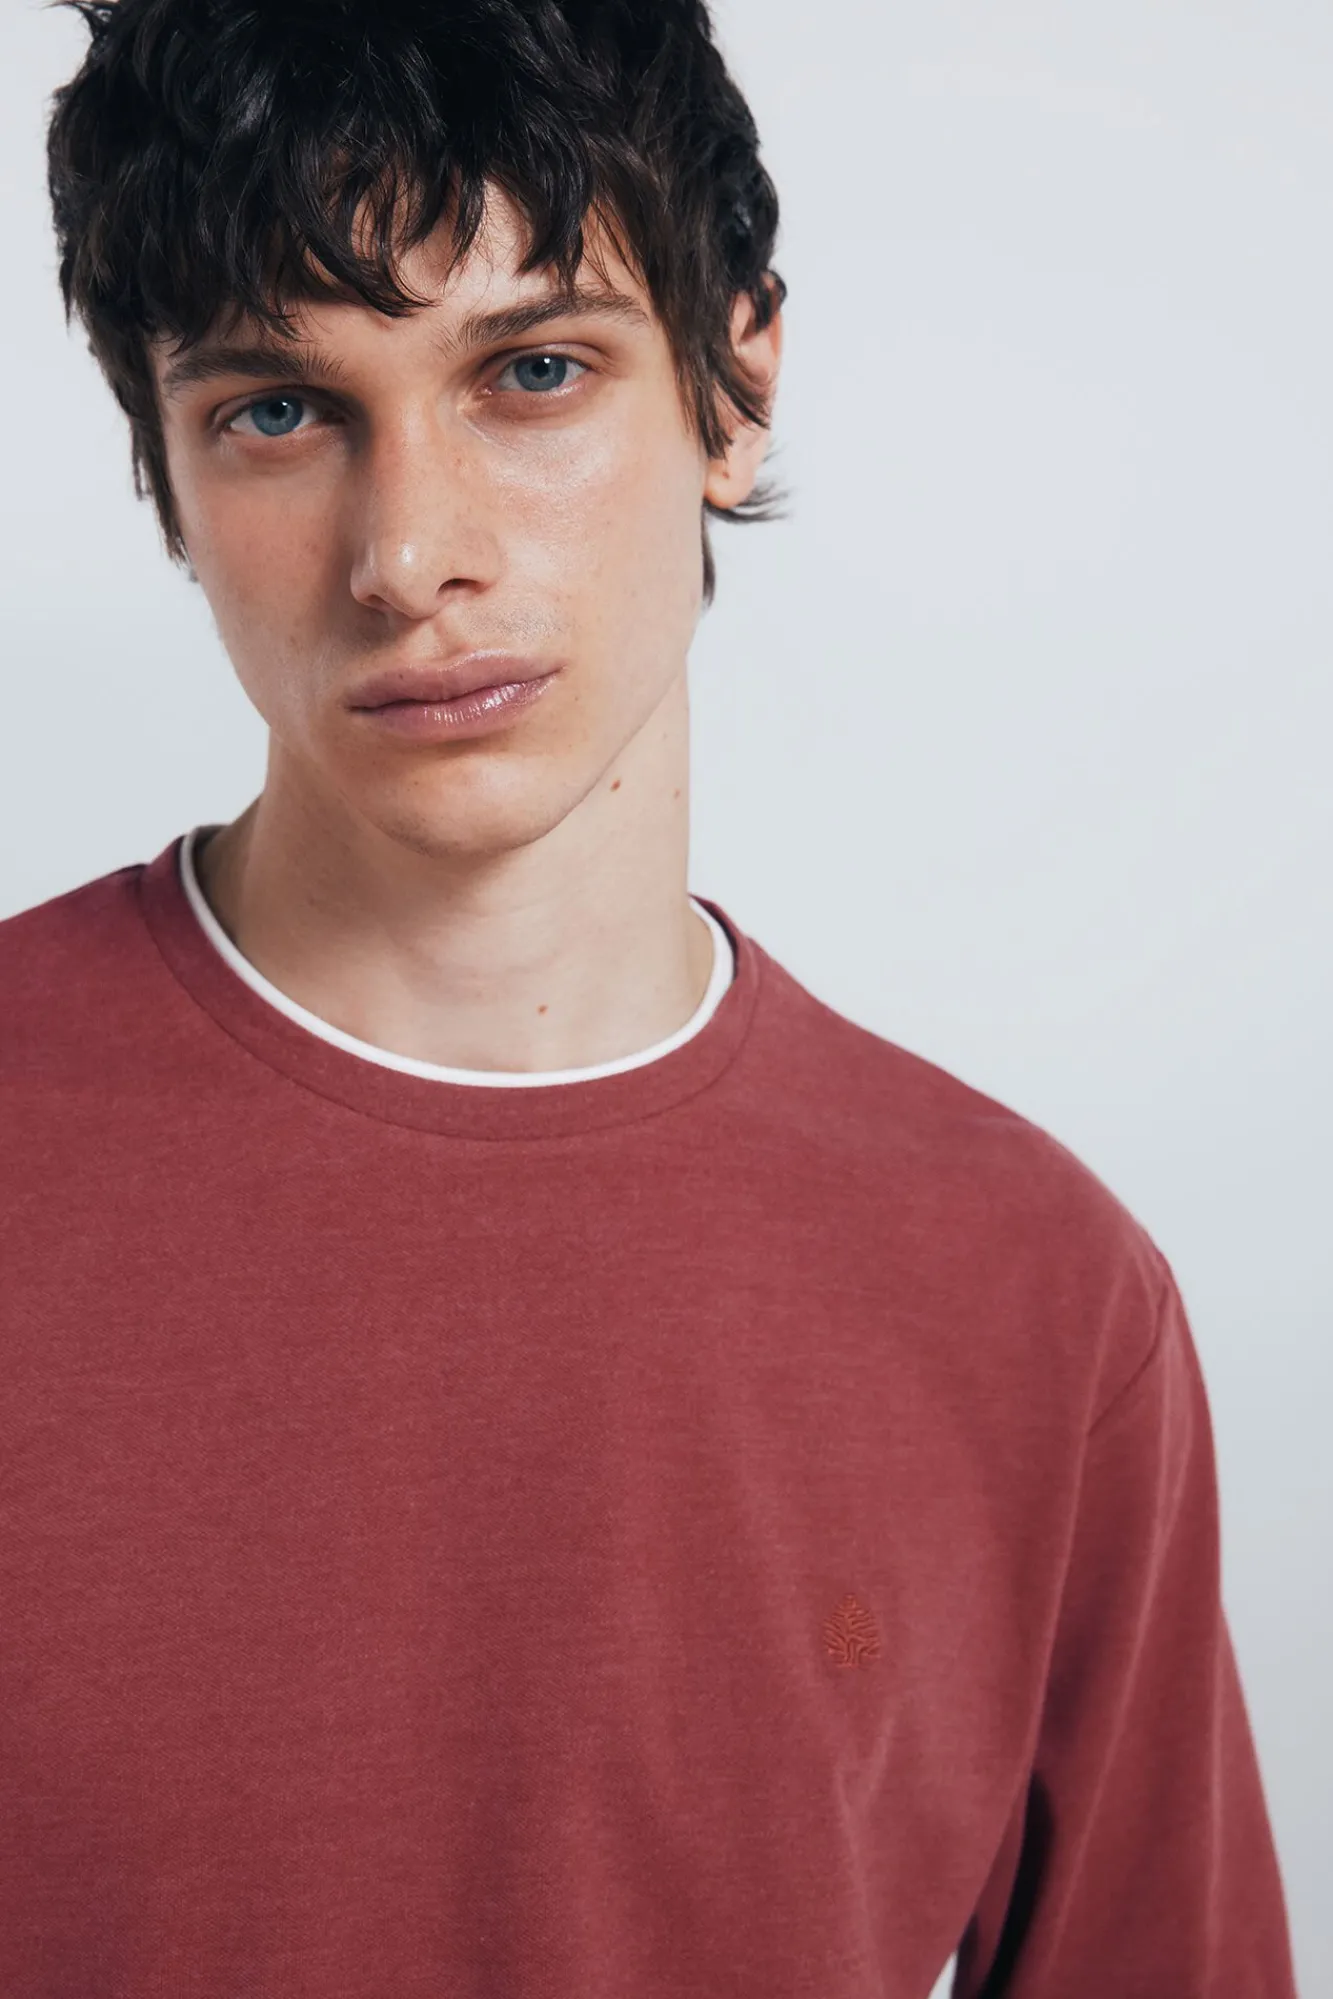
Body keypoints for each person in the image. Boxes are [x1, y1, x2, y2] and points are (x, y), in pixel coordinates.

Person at [1, 2, 1297, 1993]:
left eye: (532, 370)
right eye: (277, 408)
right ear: (161, 470)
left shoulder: (1036, 1294)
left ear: (734, 382)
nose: (409, 554)